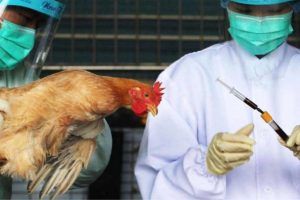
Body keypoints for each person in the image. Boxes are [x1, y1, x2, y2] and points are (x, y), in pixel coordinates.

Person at [135, 0, 300, 199]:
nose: (259, 21)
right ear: (227, 5)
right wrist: (205, 166)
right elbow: (156, 189)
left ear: (294, 7)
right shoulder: (187, 76)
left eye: (275, 10)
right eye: (245, 10)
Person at [0, 0, 112, 199]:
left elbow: (88, 167)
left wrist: (78, 116)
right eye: (25, 19)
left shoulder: (18, 78)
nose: (30, 35)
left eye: (38, 25)